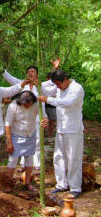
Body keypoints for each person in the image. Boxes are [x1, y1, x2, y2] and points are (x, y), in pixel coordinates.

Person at [38, 70, 84, 198]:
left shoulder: (76, 89)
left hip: (73, 129)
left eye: (58, 84)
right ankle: (61, 184)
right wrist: (37, 83)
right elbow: (46, 90)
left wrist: (47, 100)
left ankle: (75, 187)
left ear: (65, 80)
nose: (57, 87)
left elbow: (67, 103)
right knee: (58, 157)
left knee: (73, 158)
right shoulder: (59, 88)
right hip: (61, 128)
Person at [3, 66, 46, 174]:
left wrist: (45, 118)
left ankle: (37, 165)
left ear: (37, 74)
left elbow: (54, 85)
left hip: (37, 116)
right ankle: (23, 164)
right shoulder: (22, 83)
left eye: (33, 71)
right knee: (20, 142)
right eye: (29, 72)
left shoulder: (42, 85)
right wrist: (2, 70)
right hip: (21, 119)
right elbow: (10, 78)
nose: (31, 73)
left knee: (36, 142)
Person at [5, 91, 48, 190]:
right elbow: (7, 124)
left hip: (30, 134)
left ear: (32, 102)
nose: (27, 106)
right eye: (25, 104)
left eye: (29, 104)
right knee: (12, 161)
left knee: (29, 160)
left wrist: (45, 121)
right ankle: (8, 184)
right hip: (16, 135)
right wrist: (9, 141)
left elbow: (44, 117)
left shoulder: (37, 104)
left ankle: (27, 182)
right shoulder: (13, 106)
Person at [44, 72, 57, 137]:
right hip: (44, 105)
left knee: (52, 121)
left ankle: (49, 134)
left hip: (52, 106)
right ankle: (44, 133)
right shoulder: (44, 85)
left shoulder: (56, 85)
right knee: (44, 120)